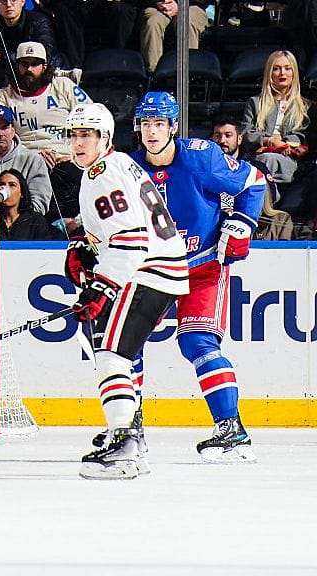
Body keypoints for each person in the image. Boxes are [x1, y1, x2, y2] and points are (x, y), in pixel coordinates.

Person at [129, 92, 267, 463]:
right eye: (145, 123)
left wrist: (242, 223)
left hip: (202, 264)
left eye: (159, 123)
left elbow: (254, 182)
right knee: (127, 344)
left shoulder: (201, 156)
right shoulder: (127, 168)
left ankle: (231, 429)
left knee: (198, 343)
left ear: (173, 126)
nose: (152, 131)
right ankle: (129, 427)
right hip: (154, 268)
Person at [61, 103, 189, 479]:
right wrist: (83, 247)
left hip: (147, 271)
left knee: (111, 354)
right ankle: (131, 437)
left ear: (105, 138)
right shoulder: (114, 166)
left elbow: (130, 239)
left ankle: (123, 445)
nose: (79, 142)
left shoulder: (103, 174)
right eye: (74, 135)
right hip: (158, 270)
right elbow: (118, 229)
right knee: (119, 354)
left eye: (87, 135)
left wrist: (103, 287)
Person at [0, 41, 92, 229]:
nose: (29, 69)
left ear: (45, 66)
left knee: (73, 179)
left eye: (35, 64)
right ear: (17, 66)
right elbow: (0, 136)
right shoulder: (3, 96)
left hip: (67, 159)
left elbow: (91, 120)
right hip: (25, 162)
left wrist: (74, 154)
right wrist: (31, 158)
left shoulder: (63, 86)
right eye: (24, 64)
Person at [243, 50, 312, 187]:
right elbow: (246, 133)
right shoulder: (255, 102)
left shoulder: (305, 106)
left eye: (287, 68)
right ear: (269, 73)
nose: (282, 73)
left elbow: (303, 135)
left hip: (289, 157)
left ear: (294, 73)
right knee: (265, 160)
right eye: (276, 69)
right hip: (259, 154)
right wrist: (269, 141)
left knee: (267, 161)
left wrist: (284, 144)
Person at [0, 0, 63, 91]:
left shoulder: (39, 22)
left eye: (13, 0)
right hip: (9, 79)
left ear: (23, 2)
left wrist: (1, 57)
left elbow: (44, 53)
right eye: (3, 1)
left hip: (43, 74)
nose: (8, 5)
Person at [139, 0, 211, 74]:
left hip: (192, 5)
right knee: (153, 23)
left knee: (186, 21)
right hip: (157, 6)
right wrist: (159, 3)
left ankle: (188, 72)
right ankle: (153, 74)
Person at [0, 169, 63, 240]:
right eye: (2, 184)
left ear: (22, 193)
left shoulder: (35, 220)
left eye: (12, 185)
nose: (5, 188)